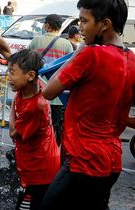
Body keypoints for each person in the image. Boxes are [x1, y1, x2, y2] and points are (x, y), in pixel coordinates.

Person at [41, 0, 134, 209]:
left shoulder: (91, 55)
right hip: (112, 160)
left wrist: (77, 53)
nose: (80, 27)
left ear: (104, 24)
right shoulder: (132, 59)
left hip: (84, 160)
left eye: (84, 21)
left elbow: (48, 91)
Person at [8, 49, 60, 210]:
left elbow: (13, 133)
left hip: (39, 172)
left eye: (12, 73)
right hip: (39, 166)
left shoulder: (35, 106)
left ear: (30, 75)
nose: (8, 77)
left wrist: (12, 106)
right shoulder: (34, 86)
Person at [28, 14, 73, 147]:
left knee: (37, 127)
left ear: (47, 25)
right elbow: (69, 67)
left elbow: (27, 62)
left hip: (38, 92)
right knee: (55, 128)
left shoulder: (36, 41)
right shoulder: (66, 44)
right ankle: (52, 153)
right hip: (58, 95)